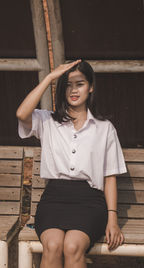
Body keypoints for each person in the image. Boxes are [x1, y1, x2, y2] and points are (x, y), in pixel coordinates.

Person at [16, 59, 127, 268]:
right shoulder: (47, 121)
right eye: (67, 84)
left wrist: (113, 219)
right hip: (54, 198)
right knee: (53, 245)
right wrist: (49, 77)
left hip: (90, 201)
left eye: (80, 84)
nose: (73, 90)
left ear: (91, 87)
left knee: (73, 246)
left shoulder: (104, 128)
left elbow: (109, 176)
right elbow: (22, 114)